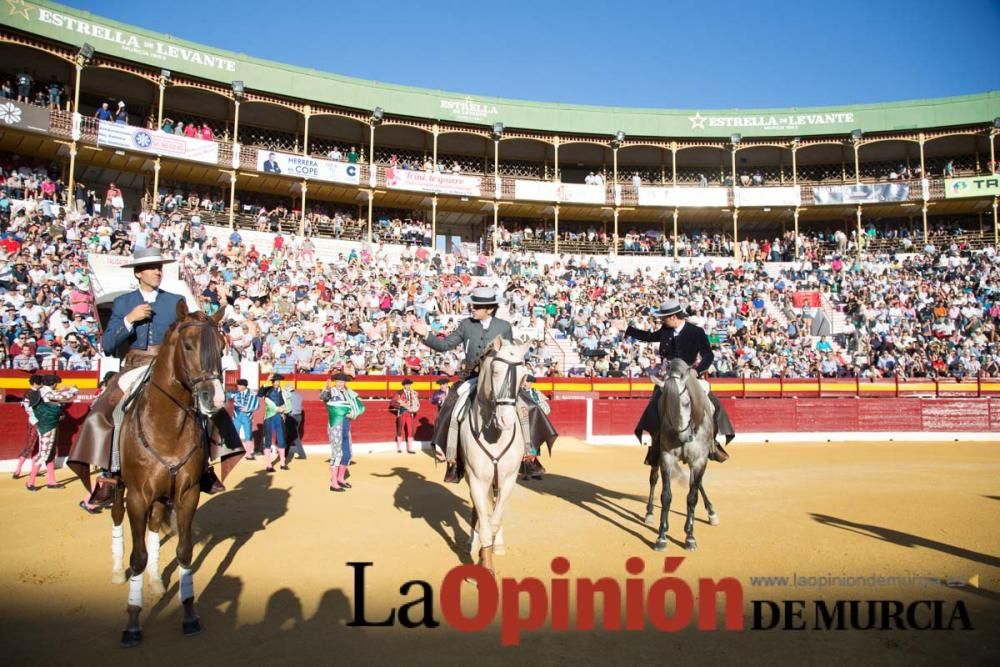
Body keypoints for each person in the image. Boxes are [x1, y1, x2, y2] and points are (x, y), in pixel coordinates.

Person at [67, 248, 236, 514]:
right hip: (135, 365)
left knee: (208, 407)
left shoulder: (175, 301)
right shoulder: (123, 303)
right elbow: (109, 345)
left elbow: (190, 335)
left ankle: (203, 468)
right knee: (102, 410)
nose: (158, 271)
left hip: (167, 367)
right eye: (152, 267)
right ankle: (109, 475)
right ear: (138, 273)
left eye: (159, 267)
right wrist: (129, 320)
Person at [410, 287, 556, 483]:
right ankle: (452, 459)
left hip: (499, 379)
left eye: (477, 306)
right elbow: (445, 345)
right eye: (473, 305)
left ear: (489, 309)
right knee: (451, 407)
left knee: (527, 406)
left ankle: (529, 456)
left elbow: (510, 351)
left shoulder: (503, 326)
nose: (473, 309)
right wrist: (425, 335)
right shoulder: (466, 325)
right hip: (472, 377)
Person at [625, 299, 734, 463]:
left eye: (664, 318)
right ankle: (656, 445)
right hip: (669, 376)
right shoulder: (666, 330)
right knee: (654, 405)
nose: (662, 321)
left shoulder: (696, 332)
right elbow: (650, 337)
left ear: (674, 317)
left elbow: (708, 355)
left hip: (690, 374)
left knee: (713, 403)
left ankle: (712, 442)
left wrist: (697, 371)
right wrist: (628, 330)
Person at [25, 374, 79, 491]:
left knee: (49, 453)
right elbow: (64, 396)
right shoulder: (48, 392)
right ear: (53, 384)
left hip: (45, 424)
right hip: (47, 426)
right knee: (44, 453)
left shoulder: (41, 390)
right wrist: (74, 389)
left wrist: (66, 388)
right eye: (56, 384)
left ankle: (51, 480)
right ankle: (30, 482)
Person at [320, 373, 352, 492]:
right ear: (335, 382)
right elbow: (323, 397)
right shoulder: (332, 391)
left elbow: (355, 406)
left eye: (342, 382)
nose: (340, 384)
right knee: (337, 454)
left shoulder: (348, 393)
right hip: (336, 426)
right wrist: (326, 388)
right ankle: (333, 483)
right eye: (338, 381)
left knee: (347, 454)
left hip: (346, 425)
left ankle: (340, 479)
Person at [518, 375, 551, 480]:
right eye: (524, 381)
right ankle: (527, 471)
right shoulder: (517, 392)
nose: (525, 383)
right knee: (523, 446)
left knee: (534, 447)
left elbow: (547, 409)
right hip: (521, 423)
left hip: (534, 423)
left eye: (527, 382)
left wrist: (539, 411)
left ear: (531, 383)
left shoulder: (536, 393)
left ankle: (532, 469)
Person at [13, 374, 43, 480]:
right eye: (41, 382)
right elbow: (28, 409)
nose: (42, 384)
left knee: (36, 447)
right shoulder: (31, 393)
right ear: (35, 383)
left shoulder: (31, 393)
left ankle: (31, 469)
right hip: (35, 422)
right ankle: (18, 470)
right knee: (30, 446)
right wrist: (36, 421)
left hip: (36, 421)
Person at [259, 373, 288, 471]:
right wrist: (267, 381)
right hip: (269, 417)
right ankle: (269, 465)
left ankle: (283, 463)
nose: (277, 383)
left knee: (281, 439)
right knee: (268, 440)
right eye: (275, 381)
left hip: (279, 417)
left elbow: (286, 403)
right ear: (272, 382)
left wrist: (284, 410)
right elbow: (259, 393)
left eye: (278, 381)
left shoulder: (282, 391)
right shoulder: (267, 389)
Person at [229, 378, 259, 460]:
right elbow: (227, 395)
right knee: (234, 434)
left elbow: (256, 406)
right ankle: (233, 453)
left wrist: (248, 409)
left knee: (248, 435)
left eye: (239, 385)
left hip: (247, 416)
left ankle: (249, 453)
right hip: (237, 416)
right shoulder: (235, 393)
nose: (237, 386)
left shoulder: (252, 394)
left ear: (243, 386)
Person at [392, 378, 421, 454]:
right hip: (402, 413)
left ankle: (410, 448)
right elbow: (392, 403)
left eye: (409, 384)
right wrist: (402, 404)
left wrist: (416, 397)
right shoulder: (399, 393)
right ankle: (399, 448)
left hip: (410, 413)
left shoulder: (413, 393)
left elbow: (416, 403)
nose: (408, 386)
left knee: (410, 430)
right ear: (404, 385)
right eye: (407, 385)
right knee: (400, 429)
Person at [284, 383, 306, 460]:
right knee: (289, 436)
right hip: (299, 416)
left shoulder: (288, 395)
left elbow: (286, 406)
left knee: (295, 436)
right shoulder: (298, 395)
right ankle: (285, 453)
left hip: (291, 417)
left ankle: (302, 454)